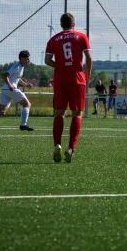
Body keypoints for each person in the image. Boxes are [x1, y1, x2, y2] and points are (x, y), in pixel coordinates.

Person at [45, 13, 92, 163]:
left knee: (59, 113)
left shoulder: (53, 39)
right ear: (74, 24)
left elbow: (47, 60)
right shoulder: (81, 36)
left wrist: (60, 67)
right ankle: (71, 148)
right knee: (77, 113)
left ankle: (57, 144)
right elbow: (89, 58)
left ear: (61, 24)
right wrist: (87, 75)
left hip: (60, 79)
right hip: (77, 78)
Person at [0, 51, 35, 134]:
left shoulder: (21, 67)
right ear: (22, 59)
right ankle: (23, 124)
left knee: (1, 111)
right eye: (27, 58)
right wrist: (10, 85)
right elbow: (5, 75)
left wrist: (25, 84)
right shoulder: (17, 66)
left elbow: (17, 78)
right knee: (27, 104)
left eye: (29, 58)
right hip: (10, 89)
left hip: (5, 90)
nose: (29, 60)